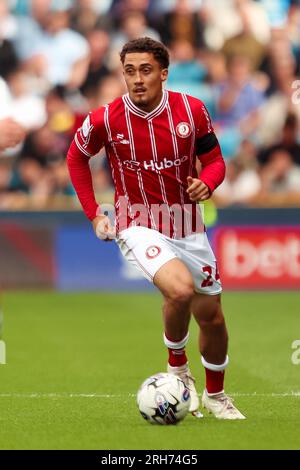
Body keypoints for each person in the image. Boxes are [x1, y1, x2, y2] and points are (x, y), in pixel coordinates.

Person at [67, 37, 245, 420]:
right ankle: (178, 372)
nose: (137, 79)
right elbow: (76, 158)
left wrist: (208, 183)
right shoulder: (105, 118)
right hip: (136, 223)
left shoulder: (192, 110)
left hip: (187, 225)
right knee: (179, 291)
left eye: (145, 70)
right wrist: (94, 213)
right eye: (129, 71)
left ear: (164, 73)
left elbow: (214, 161)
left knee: (212, 315)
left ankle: (217, 397)